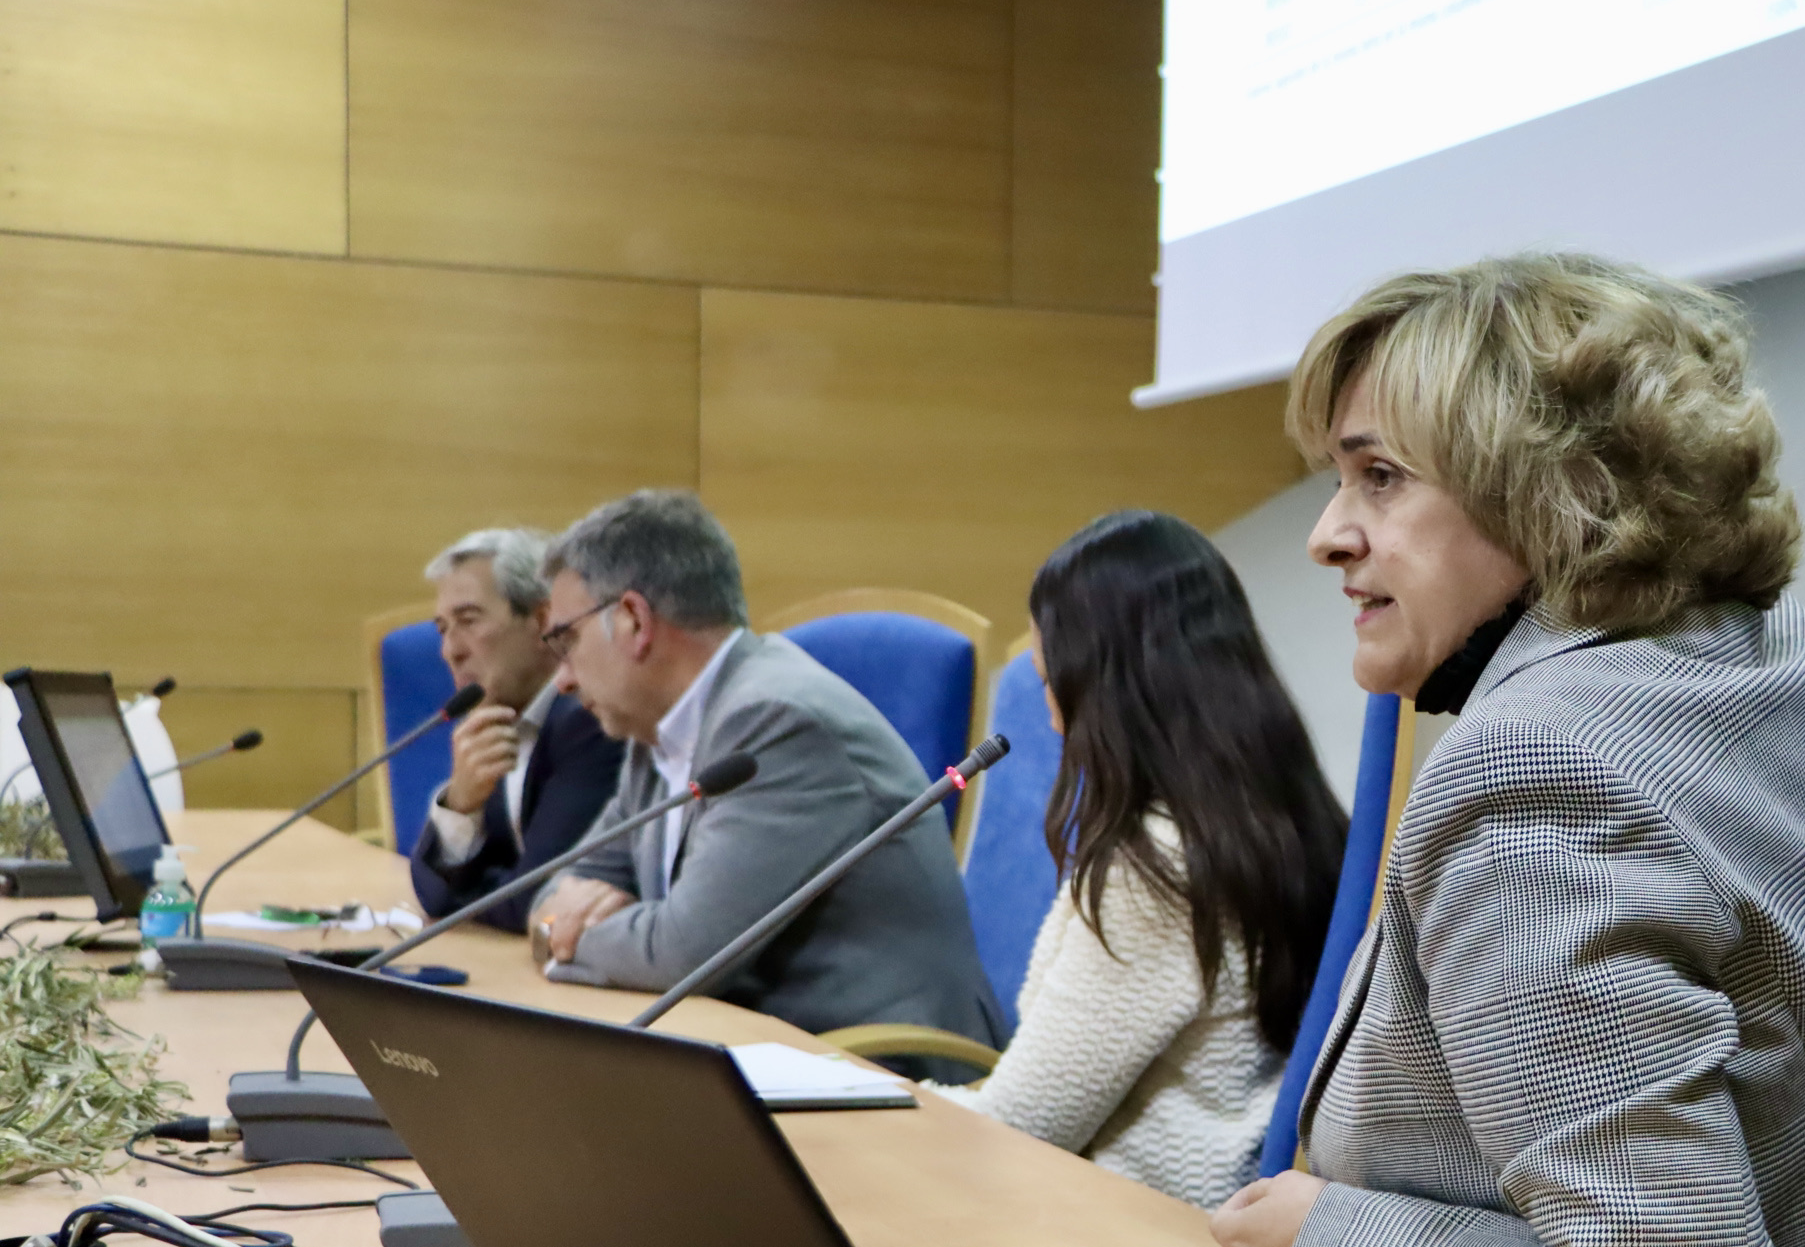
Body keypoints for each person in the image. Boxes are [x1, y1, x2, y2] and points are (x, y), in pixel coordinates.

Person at [1206, 253, 1805, 1247]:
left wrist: (1325, 1243)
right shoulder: (1734, 661)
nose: (1326, 533)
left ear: (1549, 497)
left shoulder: (1541, 771)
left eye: (1380, 477)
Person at [935, 512, 1348, 1209]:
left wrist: (870, 1100)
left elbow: (1022, 1126)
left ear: (1106, 686)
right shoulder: (1276, 813)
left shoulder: (1158, 868)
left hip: (1128, 1231)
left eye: (1049, 681)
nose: (1051, 716)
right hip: (1193, 1219)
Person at [529, 489, 1002, 1045]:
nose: (560, 679)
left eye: (567, 640)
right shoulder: (654, 732)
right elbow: (551, 892)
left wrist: (568, 930)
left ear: (634, 620)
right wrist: (567, 916)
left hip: (886, 1071)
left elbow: (683, 952)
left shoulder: (776, 722)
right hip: (760, 1051)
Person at [410, 528, 625, 933]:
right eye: (443, 628)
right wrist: (461, 805)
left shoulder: (589, 721)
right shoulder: (497, 720)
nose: (450, 651)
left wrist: (470, 890)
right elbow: (432, 891)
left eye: (469, 621)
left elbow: (535, 901)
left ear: (543, 621)